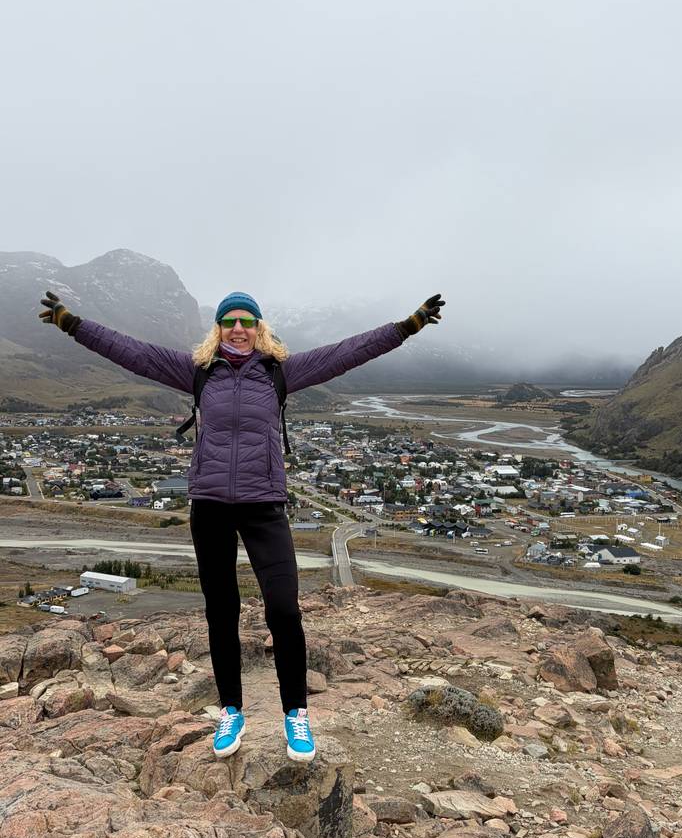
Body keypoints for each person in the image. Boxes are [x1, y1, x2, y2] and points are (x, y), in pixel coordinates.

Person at [39, 287, 445, 763]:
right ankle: (231, 708)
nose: (237, 328)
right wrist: (74, 324)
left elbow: (347, 353)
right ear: (218, 328)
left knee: (284, 608)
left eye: (246, 321)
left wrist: (406, 327)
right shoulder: (197, 372)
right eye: (229, 321)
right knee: (221, 610)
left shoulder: (280, 373)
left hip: (263, 504)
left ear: (258, 328)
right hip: (209, 504)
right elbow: (131, 352)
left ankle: (296, 713)